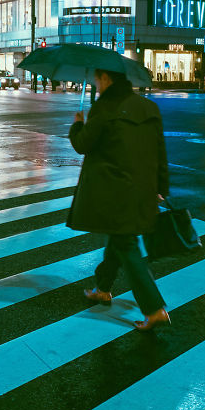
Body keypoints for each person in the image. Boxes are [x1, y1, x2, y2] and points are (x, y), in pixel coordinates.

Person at [66, 68, 171, 331]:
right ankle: (102, 288)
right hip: (142, 186)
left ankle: (154, 308)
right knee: (119, 237)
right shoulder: (148, 107)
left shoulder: (105, 108)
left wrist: (78, 124)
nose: (95, 85)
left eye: (97, 80)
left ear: (106, 78)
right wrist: (162, 186)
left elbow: (83, 145)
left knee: (126, 245)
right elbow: (160, 149)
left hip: (113, 189)